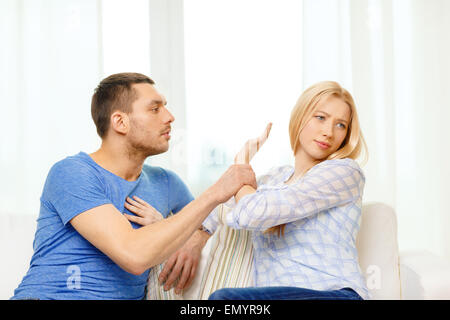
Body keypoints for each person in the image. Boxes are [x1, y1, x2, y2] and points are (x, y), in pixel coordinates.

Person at [10, 72, 256, 300]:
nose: (169, 117)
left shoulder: (166, 182)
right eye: (155, 109)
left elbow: (209, 220)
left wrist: (197, 238)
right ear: (120, 122)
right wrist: (214, 193)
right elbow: (133, 255)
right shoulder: (72, 173)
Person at [126, 80, 370, 300]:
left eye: (341, 125)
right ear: (300, 117)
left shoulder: (344, 172)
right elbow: (219, 209)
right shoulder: (273, 180)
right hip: (276, 296)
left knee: (226, 301)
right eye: (320, 117)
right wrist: (195, 237)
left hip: (334, 295)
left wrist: (241, 165)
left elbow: (253, 212)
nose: (329, 131)